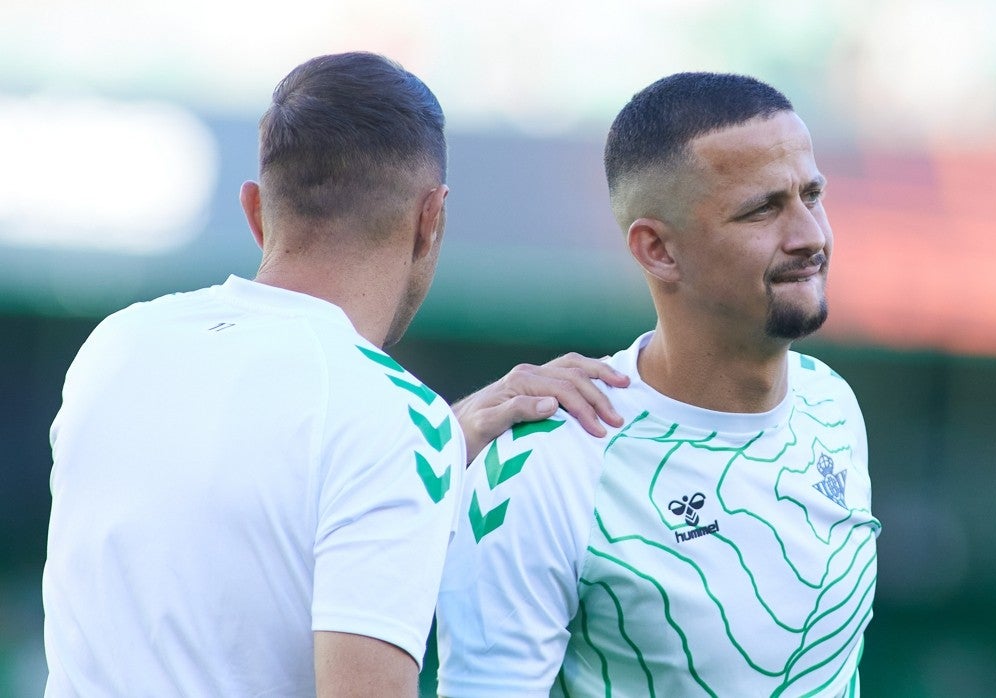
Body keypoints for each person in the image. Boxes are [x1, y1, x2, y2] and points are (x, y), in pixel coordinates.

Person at [43, 51, 624, 697]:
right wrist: (420, 439)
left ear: (255, 208)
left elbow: (237, 498)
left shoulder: (118, 343)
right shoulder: (389, 418)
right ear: (432, 217)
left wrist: (434, 443)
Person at [435, 72, 881, 697]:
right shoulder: (549, 463)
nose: (810, 235)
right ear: (658, 251)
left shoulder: (831, 402)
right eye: (763, 209)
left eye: (812, 195)